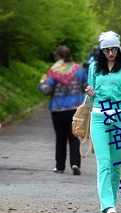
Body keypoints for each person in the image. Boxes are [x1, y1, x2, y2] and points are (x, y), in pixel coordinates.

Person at [85, 31, 121, 213]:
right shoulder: (93, 68)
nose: (110, 53)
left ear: (119, 48)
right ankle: (107, 205)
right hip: (99, 117)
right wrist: (90, 92)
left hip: (119, 119)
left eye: (114, 49)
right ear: (101, 50)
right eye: (106, 50)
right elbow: (91, 97)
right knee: (105, 163)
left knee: (116, 164)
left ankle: (113, 201)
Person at [39, 45, 88, 175]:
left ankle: (60, 166)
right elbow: (86, 87)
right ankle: (75, 163)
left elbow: (47, 90)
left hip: (58, 109)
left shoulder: (54, 71)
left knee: (60, 138)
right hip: (75, 109)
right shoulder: (79, 70)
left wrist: (42, 83)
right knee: (74, 137)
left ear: (58, 57)